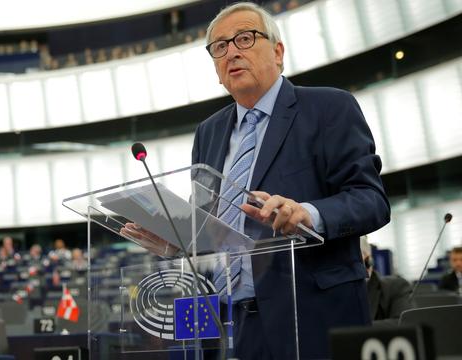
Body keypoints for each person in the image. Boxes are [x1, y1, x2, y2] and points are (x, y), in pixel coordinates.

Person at [121, 3, 390, 359]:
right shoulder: (208, 133)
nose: (231, 51)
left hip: (313, 316)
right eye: (220, 47)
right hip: (232, 322)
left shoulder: (329, 108)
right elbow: (211, 230)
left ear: (278, 52)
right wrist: (176, 241)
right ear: (216, 69)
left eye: (245, 39)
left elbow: (371, 200)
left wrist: (308, 214)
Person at [361, 236, 413, 326]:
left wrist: (354, 328)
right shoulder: (334, 294)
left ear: (367, 262)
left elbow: (404, 324)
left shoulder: (396, 287)